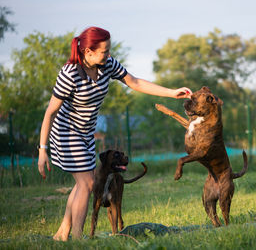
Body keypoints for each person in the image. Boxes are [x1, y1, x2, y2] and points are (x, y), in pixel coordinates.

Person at [37, 26, 192, 241]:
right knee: (87, 184)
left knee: (84, 182)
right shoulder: (70, 74)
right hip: (65, 131)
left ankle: (63, 233)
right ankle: (78, 239)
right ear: (88, 52)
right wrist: (42, 150)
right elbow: (50, 113)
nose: (108, 55)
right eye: (104, 51)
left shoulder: (106, 65)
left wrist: (171, 92)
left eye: (109, 50)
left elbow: (134, 82)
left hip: (86, 133)